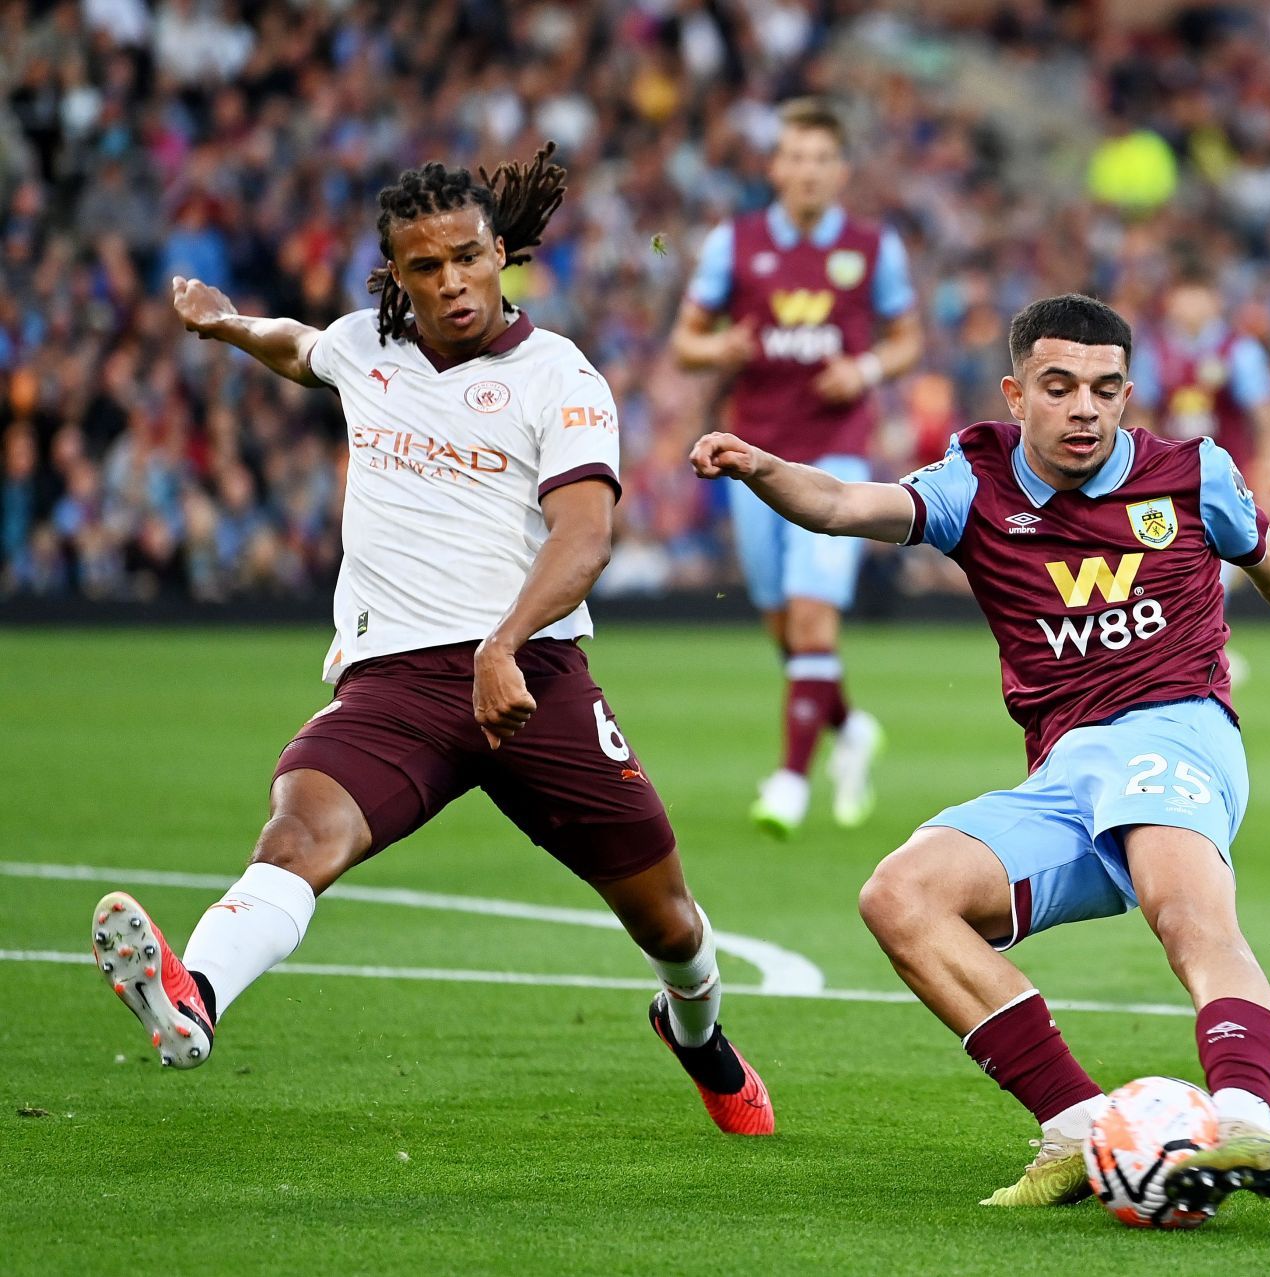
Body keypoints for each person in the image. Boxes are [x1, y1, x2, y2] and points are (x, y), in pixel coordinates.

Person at [690, 294, 1270, 1212]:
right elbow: (841, 502)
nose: (1085, 409)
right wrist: (761, 465)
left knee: (1188, 915)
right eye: (1060, 388)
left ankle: (1248, 1117)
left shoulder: (1191, 474)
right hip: (1063, 774)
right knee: (901, 896)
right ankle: (1074, 1125)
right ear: (1018, 394)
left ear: (1128, 394)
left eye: (1104, 390)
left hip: (1179, 730)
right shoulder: (974, 481)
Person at [90, 146, 774, 1135]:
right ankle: (194, 991)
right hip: (394, 682)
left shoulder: (560, 378)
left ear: (503, 252)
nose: (449, 280)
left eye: (466, 255)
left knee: (667, 918)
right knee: (298, 835)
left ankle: (699, 1032)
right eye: (424, 265)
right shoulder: (367, 346)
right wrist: (227, 322)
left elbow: (586, 537)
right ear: (396, 276)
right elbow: (296, 346)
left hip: (532, 676)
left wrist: (503, 643)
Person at [671, 97, 924, 838]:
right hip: (753, 455)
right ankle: (849, 729)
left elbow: (907, 338)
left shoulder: (875, 247)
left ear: (840, 171)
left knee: (812, 618)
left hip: (837, 454)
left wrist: (868, 368)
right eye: (795, 157)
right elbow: (688, 341)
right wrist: (720, 350)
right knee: (787, 629)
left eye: (822, 159)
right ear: (776, 166)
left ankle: (789, 778)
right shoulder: (735, 243)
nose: (808, 171)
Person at [1131, 262, 1270, 682]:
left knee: (1218, 568)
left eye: (1197, 292)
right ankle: (1182, 649)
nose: (1189, 303)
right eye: (1183, 293)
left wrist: (1267, 477)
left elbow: (1268, 418)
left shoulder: (1239, 351)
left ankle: (1201, 646)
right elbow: (1142, 418)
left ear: (1214, 299)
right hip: (1167, 481)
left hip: (1224, 480)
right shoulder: (1152, 352)